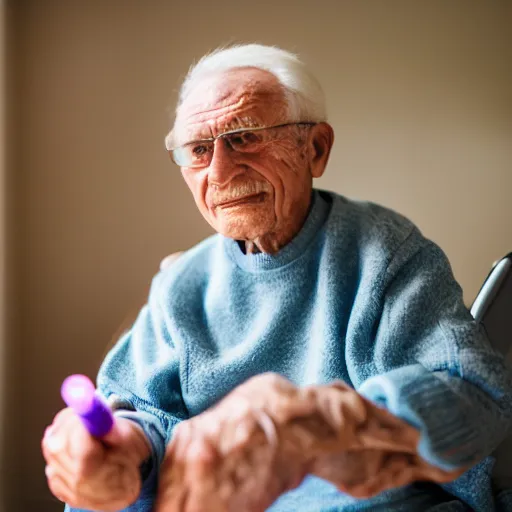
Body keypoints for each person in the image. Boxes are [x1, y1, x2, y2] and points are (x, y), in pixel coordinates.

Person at [42, 44, 512, 512]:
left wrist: (314, 426)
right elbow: (141, 414)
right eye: (199, 150)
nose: (219, 172)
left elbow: (479, 395)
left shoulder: (382, 253)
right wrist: (119, 451)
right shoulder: (180, 284)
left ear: (316, 149)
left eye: (244, 137)